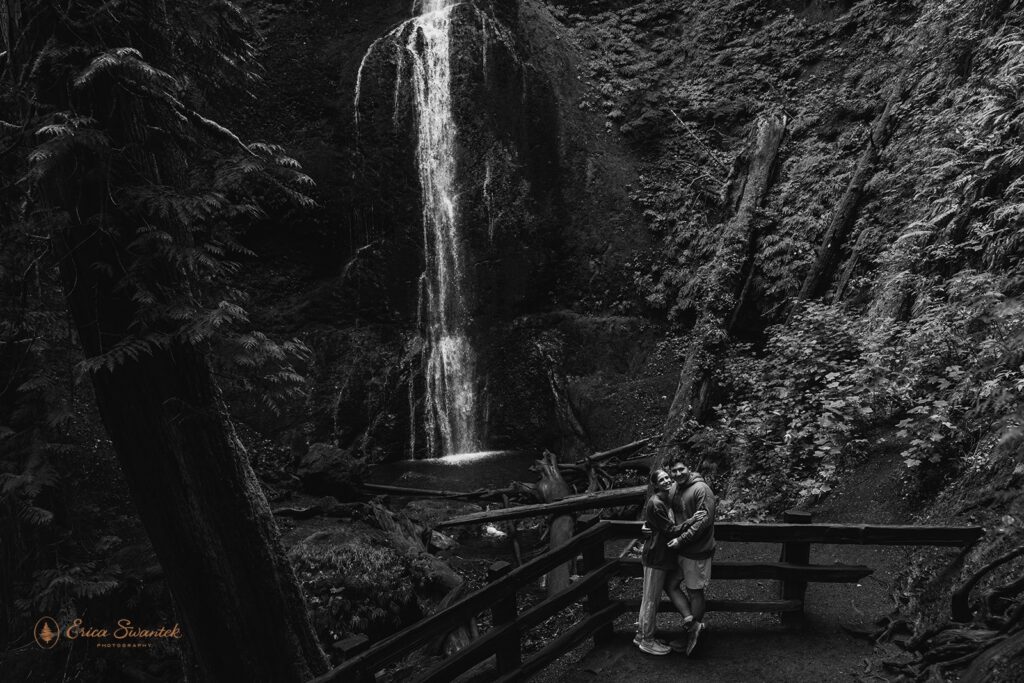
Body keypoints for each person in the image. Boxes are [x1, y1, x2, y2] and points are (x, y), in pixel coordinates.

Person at [635, 468, 707, 655]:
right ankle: (647, 641)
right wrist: (692, 520)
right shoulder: (657, 502)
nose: (667, 480)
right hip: (655, 556)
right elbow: (670, 529)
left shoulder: (668, 494)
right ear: (655, 484)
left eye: (668, 477)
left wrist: (648, 524)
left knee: (649, 598)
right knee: (651, 600)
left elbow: (690, 478)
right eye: (662, 479)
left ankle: (641, 635)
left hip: (660, 555)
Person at [665, 456, 716, 656]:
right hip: (681, 551)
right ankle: (692, 626)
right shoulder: (676, 488)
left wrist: (681, 540)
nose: (678, 474)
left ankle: (693, 636)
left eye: (681, 469)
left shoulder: (701, 490)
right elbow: (664, 504)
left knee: (695, 591)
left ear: (688, 468)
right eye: (674, 471)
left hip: (697, 551)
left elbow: (703, 522)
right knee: (670, 585)